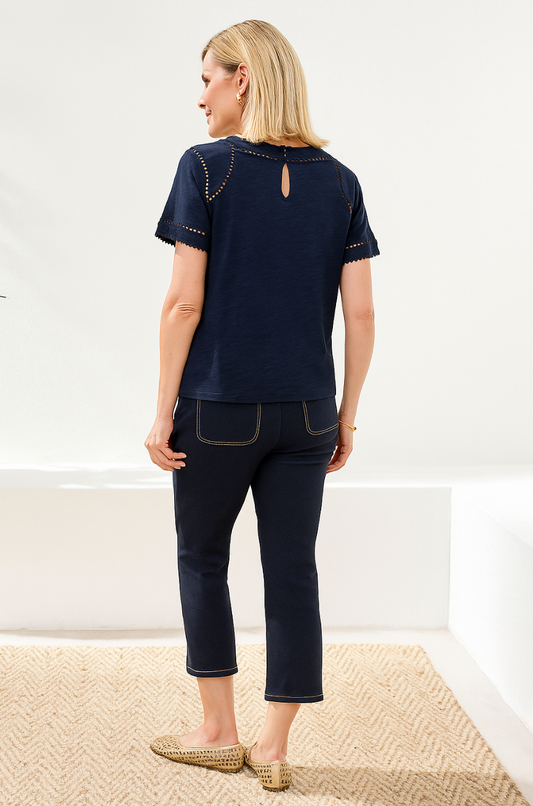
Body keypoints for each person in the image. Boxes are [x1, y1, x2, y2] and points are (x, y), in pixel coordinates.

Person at [144, 19, 379, 793]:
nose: (200, 97)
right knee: (292, 570)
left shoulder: (205, 169)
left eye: (206, 78)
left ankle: (218, 731)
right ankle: (273, 747)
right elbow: (361, 314)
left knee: (201, 558)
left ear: (241, 78)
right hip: (307, 412)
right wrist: (344, 416)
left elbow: (183, 303)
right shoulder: (339, 181)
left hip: (217, 406)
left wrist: (161, 411)